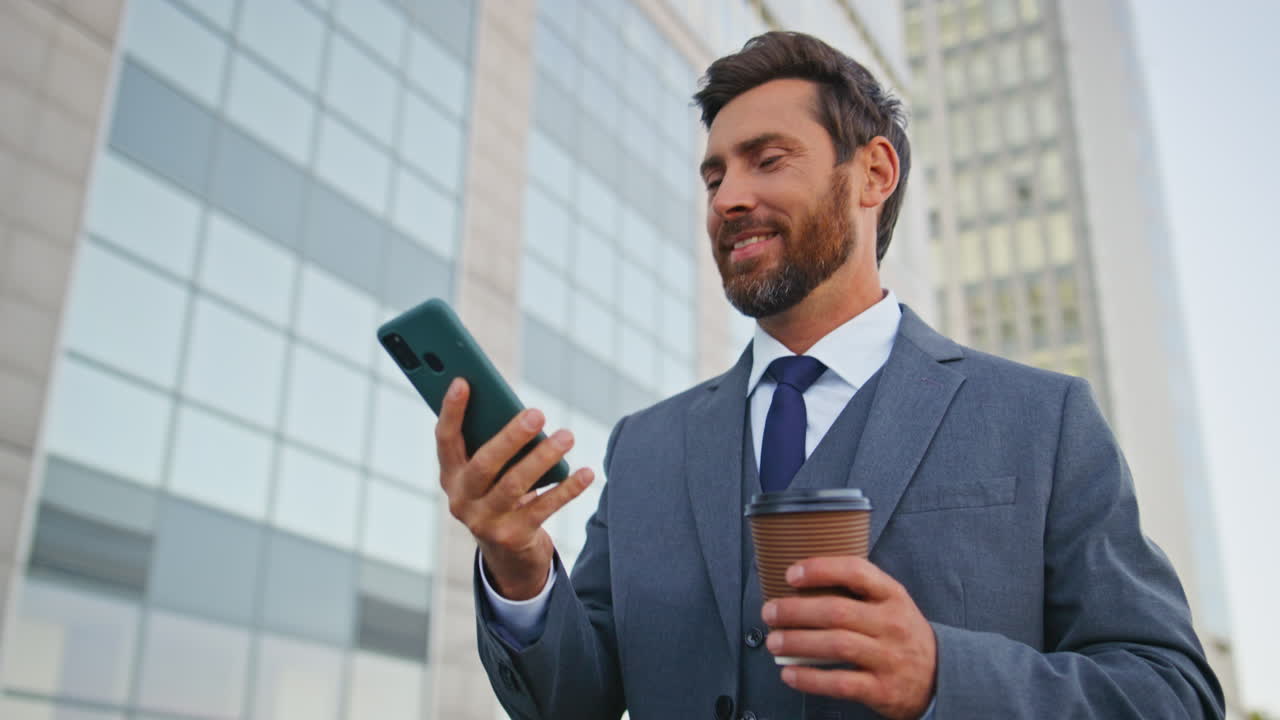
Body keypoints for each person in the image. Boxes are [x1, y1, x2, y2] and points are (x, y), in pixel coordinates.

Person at [435, 31, 1224, 720]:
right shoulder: (646, 446)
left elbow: (1172, 694)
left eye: (767, 161)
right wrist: (520, 566)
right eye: (713, 179)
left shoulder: (1042, 418)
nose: (728, 199)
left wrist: (945, 676)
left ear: (873, 174)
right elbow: (575, 703)